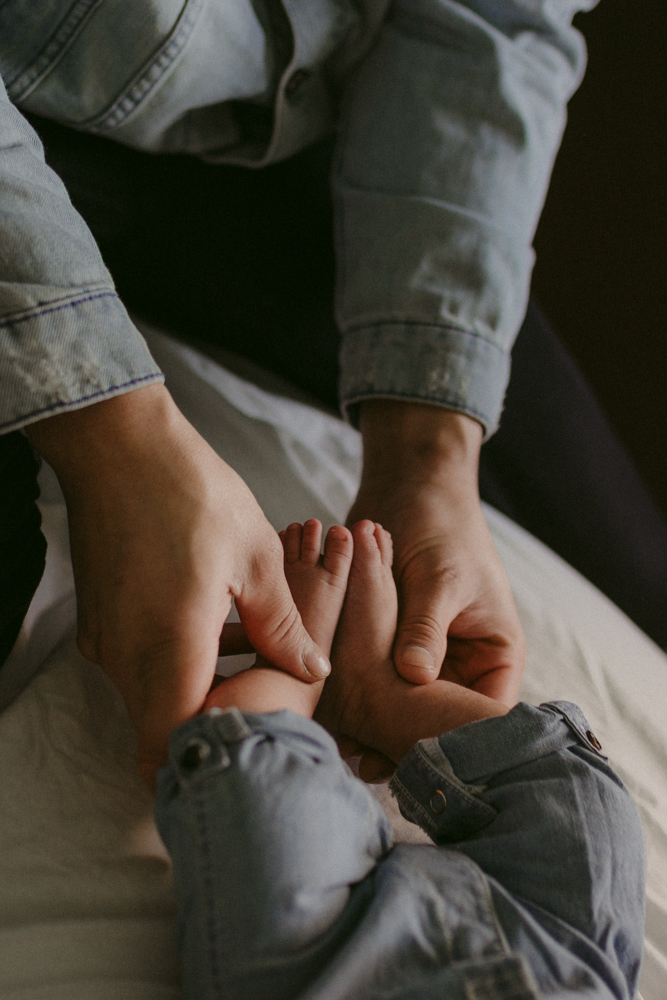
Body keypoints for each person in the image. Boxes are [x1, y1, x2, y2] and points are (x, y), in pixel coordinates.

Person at [0, 0, 602, 782]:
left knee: (617, 552)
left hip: (310, 124)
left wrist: (428, 447)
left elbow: (500, 15)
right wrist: (111, 429)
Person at [155, 518, 645, 999]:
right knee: (583, 796)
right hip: (565, 961)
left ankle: (288, 686)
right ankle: (373, 696)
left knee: (262, 810)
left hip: (337, 968)